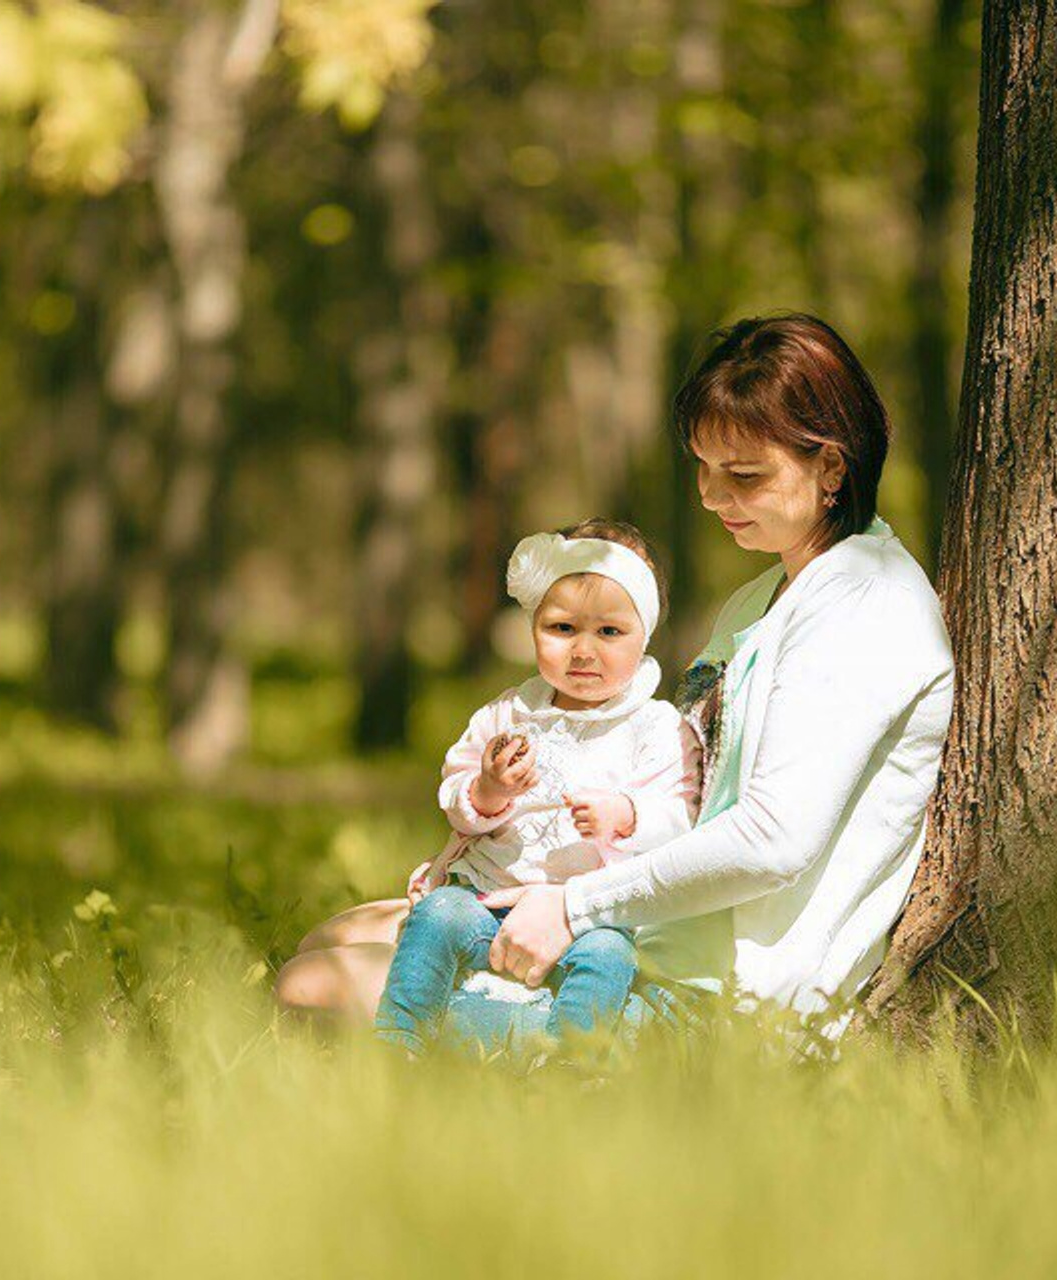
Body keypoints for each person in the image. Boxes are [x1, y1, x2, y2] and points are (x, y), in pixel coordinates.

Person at [275, 313, 954, 1047]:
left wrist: (572, 907)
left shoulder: (866, 605)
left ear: (832, 467)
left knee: (311, 986)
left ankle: (548, 1067)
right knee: (332, 937)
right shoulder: (758, 602)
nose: (710, 495)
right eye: (702, 466)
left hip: (720, 1002)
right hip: (653, 932)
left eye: (744, 475)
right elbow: (688, 796)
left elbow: (771, 842)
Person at [374, 519, 706, 1055]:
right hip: (485, 899)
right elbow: (457, 805)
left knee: (608, 959)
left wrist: (627, 815)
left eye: (609, 633)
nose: (583, 651)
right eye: (562, 629)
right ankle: (399, 1041)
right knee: (435, 917)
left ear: (645, 635)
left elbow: (682, 820)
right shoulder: (509, 712)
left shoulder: (657, 728)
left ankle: (567, 1063)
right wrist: (487, 788)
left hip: (588, 917)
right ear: (534, 628)